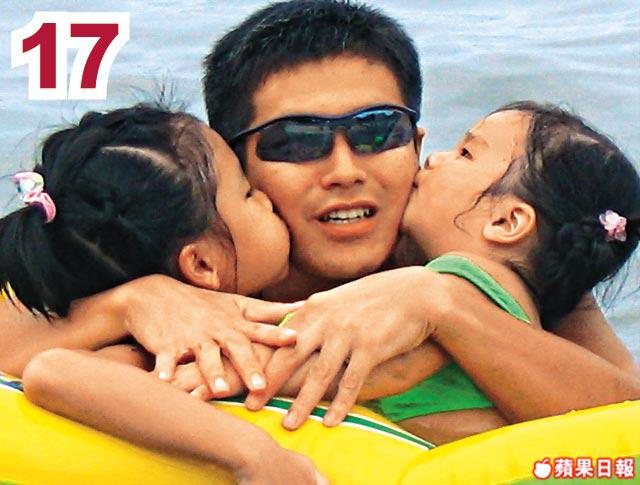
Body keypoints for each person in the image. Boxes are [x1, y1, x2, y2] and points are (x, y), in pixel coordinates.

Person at [1, 0, 638, 440]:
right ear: (236, 165)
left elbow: (623, 422)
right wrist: (133, 301)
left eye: (377, 130)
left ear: (417, 148)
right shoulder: (180, 243)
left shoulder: (495, 252)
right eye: (296, 140)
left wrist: (442, 304)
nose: (343, 169)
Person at [0, 103, 328, 484]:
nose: (267, 200)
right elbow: (52, 371)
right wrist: (252, 453)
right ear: (201, 264)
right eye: (248, 193)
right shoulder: (156, 349)